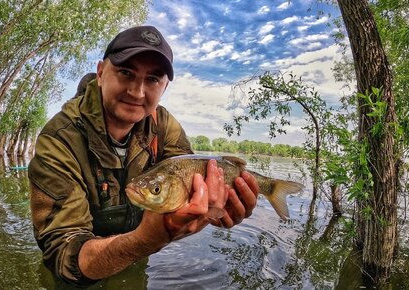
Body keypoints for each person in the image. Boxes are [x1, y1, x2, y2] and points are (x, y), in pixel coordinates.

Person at [28, 25, 259, 286]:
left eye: (152, 79)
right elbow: (62, 256)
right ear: (101, 72)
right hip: (77, 274)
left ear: (164, 87)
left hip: (135, 259)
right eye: (126, 73)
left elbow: (188, 191)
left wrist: (210, 210)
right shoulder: (59, 140)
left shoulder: (163, 125)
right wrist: (144, 241)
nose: (137, 92)